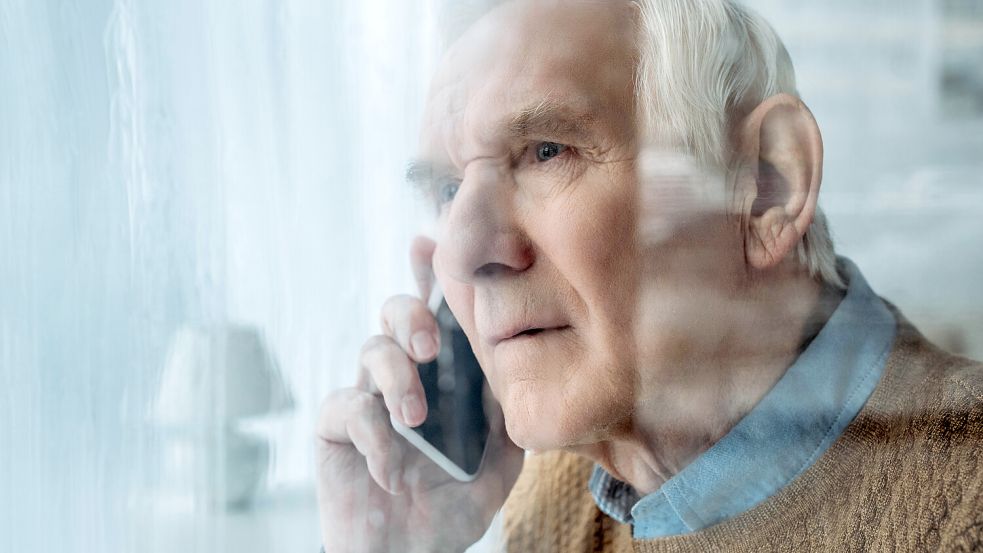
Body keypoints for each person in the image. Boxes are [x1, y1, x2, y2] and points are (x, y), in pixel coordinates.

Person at [315, 1, 983, 551]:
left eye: (547, 151)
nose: (458, 252)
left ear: (765, 185)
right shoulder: (556, 495)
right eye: (447, 188)